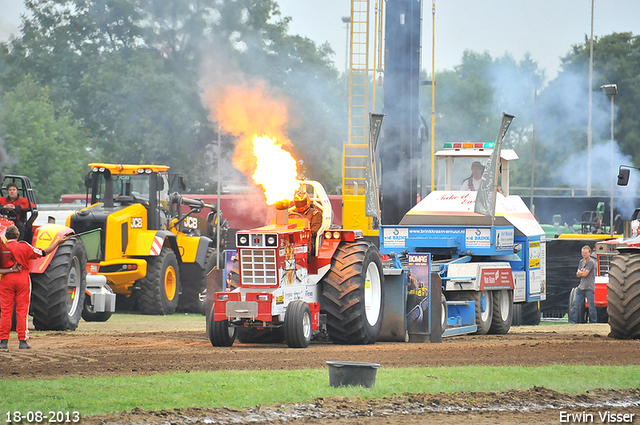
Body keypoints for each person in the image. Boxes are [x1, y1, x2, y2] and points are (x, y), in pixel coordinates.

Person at [0, 225, 69, 349]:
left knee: (5, 311)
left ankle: (3, 341)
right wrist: (58, 243)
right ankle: (22, 341)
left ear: (5, 236)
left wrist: (10, 269)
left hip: (6, 279)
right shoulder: (24, 246)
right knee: (22, 311)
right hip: (22, 279)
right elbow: (43, 252)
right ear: (17, 235)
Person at [569, 245, 597, 324]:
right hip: (581, 287)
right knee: (575, 305)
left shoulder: (591, 262)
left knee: (591, 307)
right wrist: (581, 272)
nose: (584, 254)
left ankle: (593, 322)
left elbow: (585, 274)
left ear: (589, 253)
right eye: (583, 253)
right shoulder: (581, 261)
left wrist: (581, 272)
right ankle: (572, 322)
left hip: (589, 287)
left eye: (585, 253)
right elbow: (578, 274)